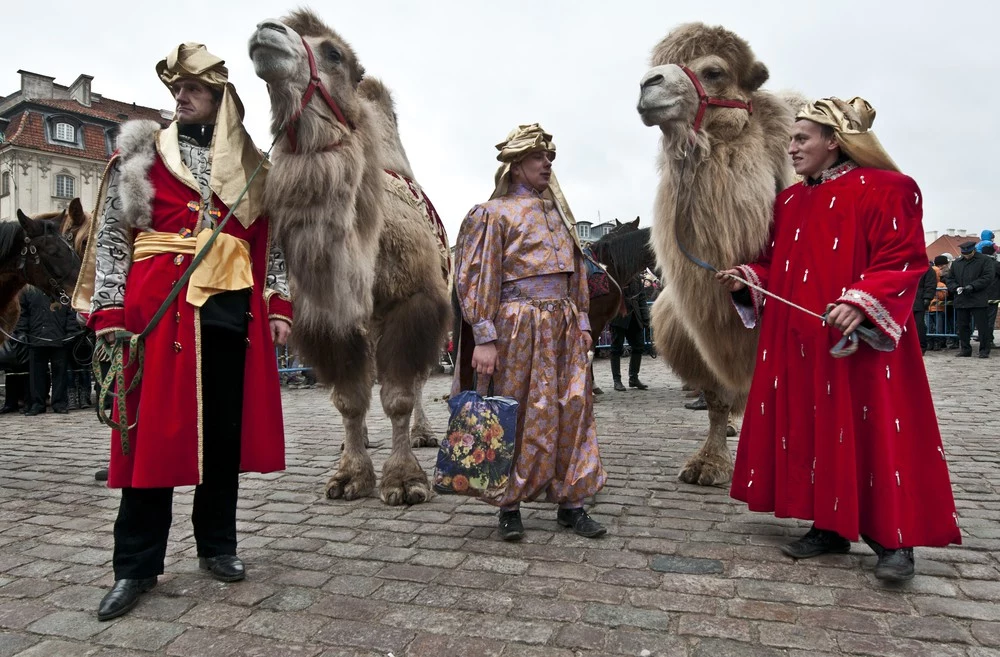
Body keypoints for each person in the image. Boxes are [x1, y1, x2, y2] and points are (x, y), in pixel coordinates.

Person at [73, 43, 292, 621]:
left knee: (222, 437)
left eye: (194, 88)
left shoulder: (253, 168)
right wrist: (111, 312)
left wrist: (276, 302)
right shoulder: (138, 154)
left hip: (229, 311)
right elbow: (115, 239)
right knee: (150, 440)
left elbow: (274, 246)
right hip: (157, 310)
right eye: (178, 88)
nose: (181, 96)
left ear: (221, 98)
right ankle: (136, 566)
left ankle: (218, 545)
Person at [717, 96, 961, 582]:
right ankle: (828, 524)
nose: (791, 148)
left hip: (860, 344)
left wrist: (860, 300)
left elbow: (902, 260)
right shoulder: (787, 201)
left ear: (835, 141)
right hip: (799, 345)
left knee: (876, 432)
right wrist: (747, 277)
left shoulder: (892, 188)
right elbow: (775, 263)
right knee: (813, 429)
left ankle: (894, 540)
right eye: (791, 138)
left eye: (802, 138)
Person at [453, 124, 607, 541]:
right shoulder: (492, 213)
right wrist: (484, 334)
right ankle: (509, 504)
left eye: (550, 157)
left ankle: (571, 502)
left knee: (572, 406)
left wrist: (583, 321)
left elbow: (575, 275)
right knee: (514, 408)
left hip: (563, 326)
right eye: (540, 157)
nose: (548, 163)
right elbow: (476, 276)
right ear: (517, 164)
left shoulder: (560, 215)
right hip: (517, 325)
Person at [16, 286, 78, 415]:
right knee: (36, 374)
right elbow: (23, 313)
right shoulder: (29, 291)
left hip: (59, 337)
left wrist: (71, 331)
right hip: (36, 337)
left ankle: (59, 403)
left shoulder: (63, 289)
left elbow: (72, 311)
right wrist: (21, 331)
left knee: (60, 373)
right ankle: (37, 403)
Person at [944, 241, 995, 358]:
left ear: (973, 251)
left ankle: (984, 350)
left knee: (982, 326)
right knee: (962, 326)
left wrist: (973, 286)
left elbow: (988, 277)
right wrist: (955, 287)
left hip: (978, 298)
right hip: (961, 298)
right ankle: (965, 349)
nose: (966, 256)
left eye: (968, 253)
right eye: (964, 254)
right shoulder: (957, 263)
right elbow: (950, 279)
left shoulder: (984, 260)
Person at [609, 274, 650, 391]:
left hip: (635, 317)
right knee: (616, 348)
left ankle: (633, 378)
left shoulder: (637, 277)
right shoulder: (616, 274)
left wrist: (646, 319)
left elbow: (642, 298)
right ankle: (617, 380)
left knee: (638, 347)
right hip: (618, 317)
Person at [927, 255, 950, 350]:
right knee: (929, 327)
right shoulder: (930, 284)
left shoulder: (941, 285)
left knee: (938, 328)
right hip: (928, 309)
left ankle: (938, 342)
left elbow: (943, 297)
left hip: (938, 309)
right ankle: (930, 342)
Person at [913, 263, 937, 354]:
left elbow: (930, 284)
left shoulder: (927, 269)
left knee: (919, 325)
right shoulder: (905, 266)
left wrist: (927, 297)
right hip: (906, 301)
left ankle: (921, 346)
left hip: (918, 301)